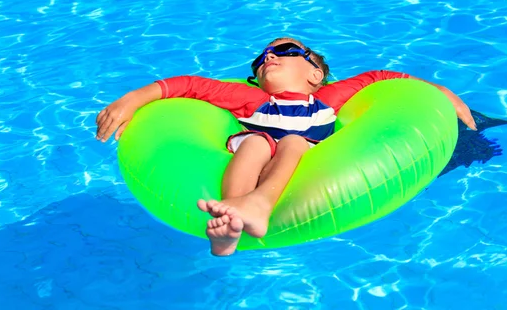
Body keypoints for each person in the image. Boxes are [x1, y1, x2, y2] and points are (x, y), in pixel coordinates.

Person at [96, 37, 477, 256]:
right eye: (261, 59)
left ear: (315, 73)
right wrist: (134, 98)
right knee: (257, 142)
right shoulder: (246, 97)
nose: (269, 58)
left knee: (293, 141)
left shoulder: (329, 97)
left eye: (285, 51)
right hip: (255, 152)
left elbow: (380, 78)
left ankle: (257, 206)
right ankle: (231, 223)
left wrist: (442, 94)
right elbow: (190, 86)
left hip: (302, 154)